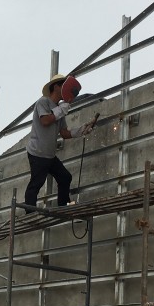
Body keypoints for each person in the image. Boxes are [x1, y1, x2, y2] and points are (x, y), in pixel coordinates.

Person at [24, 74, 96, 208]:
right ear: (56, 87)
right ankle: (30, 213)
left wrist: (81, 130)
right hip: (37, 152)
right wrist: (60, 110)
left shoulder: (60, 109)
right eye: (63, 85)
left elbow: (64, 133)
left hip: (49, 155)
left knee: (65, 177)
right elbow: (45, 120)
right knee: (36, 183)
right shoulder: (43, 102)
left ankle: (63, 206)